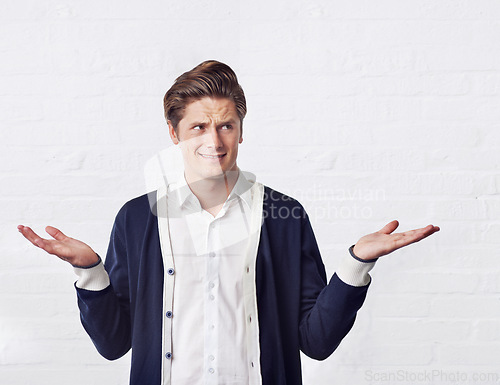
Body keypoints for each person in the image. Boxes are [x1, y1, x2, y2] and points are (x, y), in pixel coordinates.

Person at [18, 60, 440, 385]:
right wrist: (91, 271)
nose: (214, 141)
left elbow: (316, 342)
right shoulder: (137, 218)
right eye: (198, 126)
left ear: (241, 130)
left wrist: (355, 265)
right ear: (174, 133)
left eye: (226, 126)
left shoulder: (283, 215)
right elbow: (114, 344)